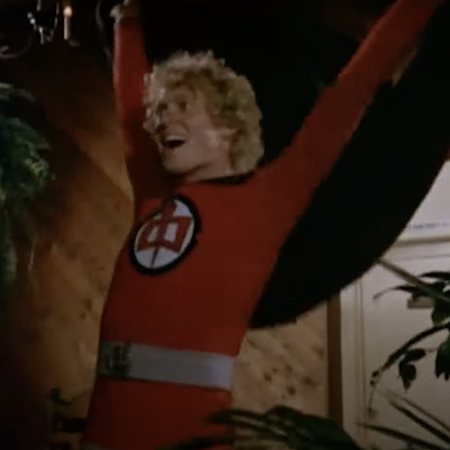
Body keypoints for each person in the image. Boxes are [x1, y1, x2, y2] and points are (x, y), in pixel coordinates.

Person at [81, 0, 444, 449]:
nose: (165, 117)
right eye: (165, 109)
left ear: (227, 130)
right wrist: (126, 19)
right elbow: (135, 123)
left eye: (183, 107)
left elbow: (353, 88)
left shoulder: (267, 200)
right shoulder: (156, 196)